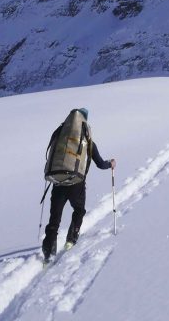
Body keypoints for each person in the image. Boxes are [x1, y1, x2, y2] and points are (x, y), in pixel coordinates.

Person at [42, 108, 116, 261]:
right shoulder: (87, 140)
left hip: (58, 181)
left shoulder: (59, 135)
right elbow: (100, 163)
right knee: (79, 210)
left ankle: (49, 251)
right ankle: (71, 238)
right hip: (77, 183)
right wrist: (111, 164)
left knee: (54, 218)